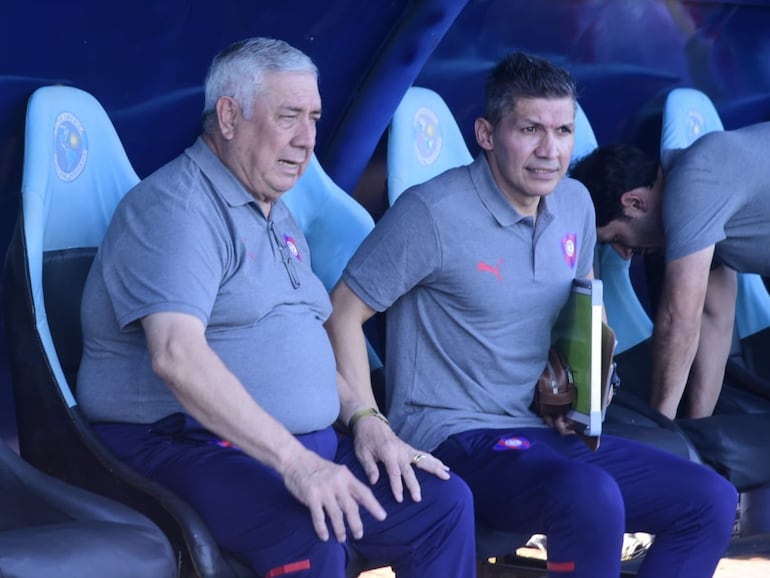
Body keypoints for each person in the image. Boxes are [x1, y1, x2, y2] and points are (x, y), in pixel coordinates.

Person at [325, 51, 738, 578]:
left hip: (548, 435)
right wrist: (369, 422)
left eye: (563, 130)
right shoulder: (431, 212)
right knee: (589, 495)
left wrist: (586, 385)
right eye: (530, 129)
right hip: (456, 436)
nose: (550, 150)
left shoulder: (576, 205)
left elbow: (582, 316)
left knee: (709, 499)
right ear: (487, 133)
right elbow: (340, 313)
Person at [76, 37, 476, 578]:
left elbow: (300, 344)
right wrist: (298, 464)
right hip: (181, 445)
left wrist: (365, 419)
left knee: (442, 504)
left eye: (313, 117)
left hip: (295, 444)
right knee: (313, 529)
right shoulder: (176, 208)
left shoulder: (275, 210)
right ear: (228, 116)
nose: (308, 140)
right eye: (289, 116)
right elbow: (175, 355)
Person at [569, 128, 770, 420]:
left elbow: (679, 317)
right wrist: (697, 427)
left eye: (616, 237)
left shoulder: (694, 182)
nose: (623, 252)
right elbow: (714, 316)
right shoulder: (705, 209)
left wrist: (659, 423)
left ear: (635, 203)